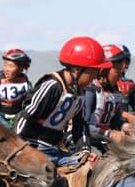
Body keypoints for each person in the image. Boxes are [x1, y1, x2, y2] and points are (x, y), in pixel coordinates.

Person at [15, 36, 106, 166]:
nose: (94, 78)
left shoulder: (81, 93)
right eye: (92, 73)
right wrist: (17, 150)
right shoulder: (52, 86)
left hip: (54, 151)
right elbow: (25, 117)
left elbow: (80, 126)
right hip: (32, 150)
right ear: (76, 70)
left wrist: (85, 151)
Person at [84, 44, 133, 153]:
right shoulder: (91, 90)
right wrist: (109, 134)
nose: (120, 76)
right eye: (118, 71)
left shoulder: (115, 90)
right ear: (104, 70)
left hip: (104, 141)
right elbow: (83, 126)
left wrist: (124, 125)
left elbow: (115, 120)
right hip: (87, 142)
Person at [0, 48, 32, 129]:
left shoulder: (27, 85)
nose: (6, 69)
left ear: (21, 68)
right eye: (5, 65)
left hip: (19, 120)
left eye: (11, 66)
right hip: (0, 120)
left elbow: (28, 106)